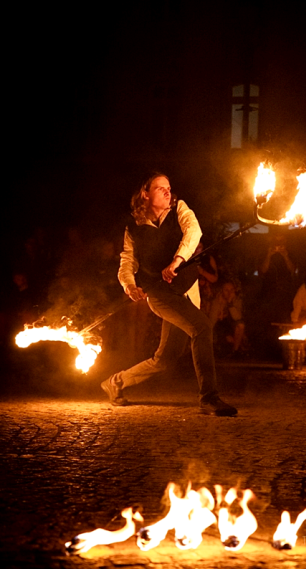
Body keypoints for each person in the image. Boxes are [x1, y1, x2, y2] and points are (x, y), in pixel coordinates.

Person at [101, 173, 237, 416]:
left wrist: (176, 261)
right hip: (161, 295)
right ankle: (209, 398)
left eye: (169, 188)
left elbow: (194, 232)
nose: (167, 192)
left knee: (164, 359)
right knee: (202, 327)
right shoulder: (133, 228)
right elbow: (128, 261)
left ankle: (116, 383)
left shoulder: (180, 209)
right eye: (160, 188)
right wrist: (130, 285)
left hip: (185, 290)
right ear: (145, 194)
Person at [209, 280, 246, 357]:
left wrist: (230, 304)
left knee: (241, 326)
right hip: (219, 327)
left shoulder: (236, 301)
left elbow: (237, 317)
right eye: (226, 290)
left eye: (231, 290)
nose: (229, 292)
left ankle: (235, 351)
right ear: (222, 290)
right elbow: (212, 320)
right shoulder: (216, 301)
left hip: (231, 325)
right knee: (228, 339)